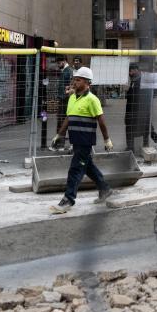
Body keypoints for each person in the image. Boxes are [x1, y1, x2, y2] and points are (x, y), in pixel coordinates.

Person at [49, 66, 113, 214]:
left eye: (78, 80)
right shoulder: (72, 98)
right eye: (75, 79)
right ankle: (105, 189)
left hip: (85, 141)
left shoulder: (92, 100)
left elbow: (101, 121)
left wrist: (107, 140)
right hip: (75, 140)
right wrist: (59, 135)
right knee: (88, 166)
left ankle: (68, 199)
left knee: (75, 169)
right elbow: (69, 118)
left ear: (87, 82)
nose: (75, 82)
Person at [126, 63, 157, 153]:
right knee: (131, 128)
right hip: (133, 109)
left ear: (135, 70)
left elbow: (145, 95)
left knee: (147, 129)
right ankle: (131, 147)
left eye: (130, 71)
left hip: (141, 109)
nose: (129, 73)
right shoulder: (134, 80)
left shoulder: (141, 80)